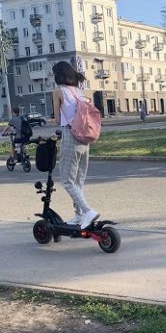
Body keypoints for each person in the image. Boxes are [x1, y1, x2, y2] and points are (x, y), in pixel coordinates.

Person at [51, 61, 99, 229]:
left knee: (67, 180)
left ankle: (87, 211)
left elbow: (58, 120)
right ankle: (79, 215)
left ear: (58, 75)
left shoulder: (58, 91)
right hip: (85, 137)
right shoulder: (79, 91)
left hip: (71, 135)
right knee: (78, 180)